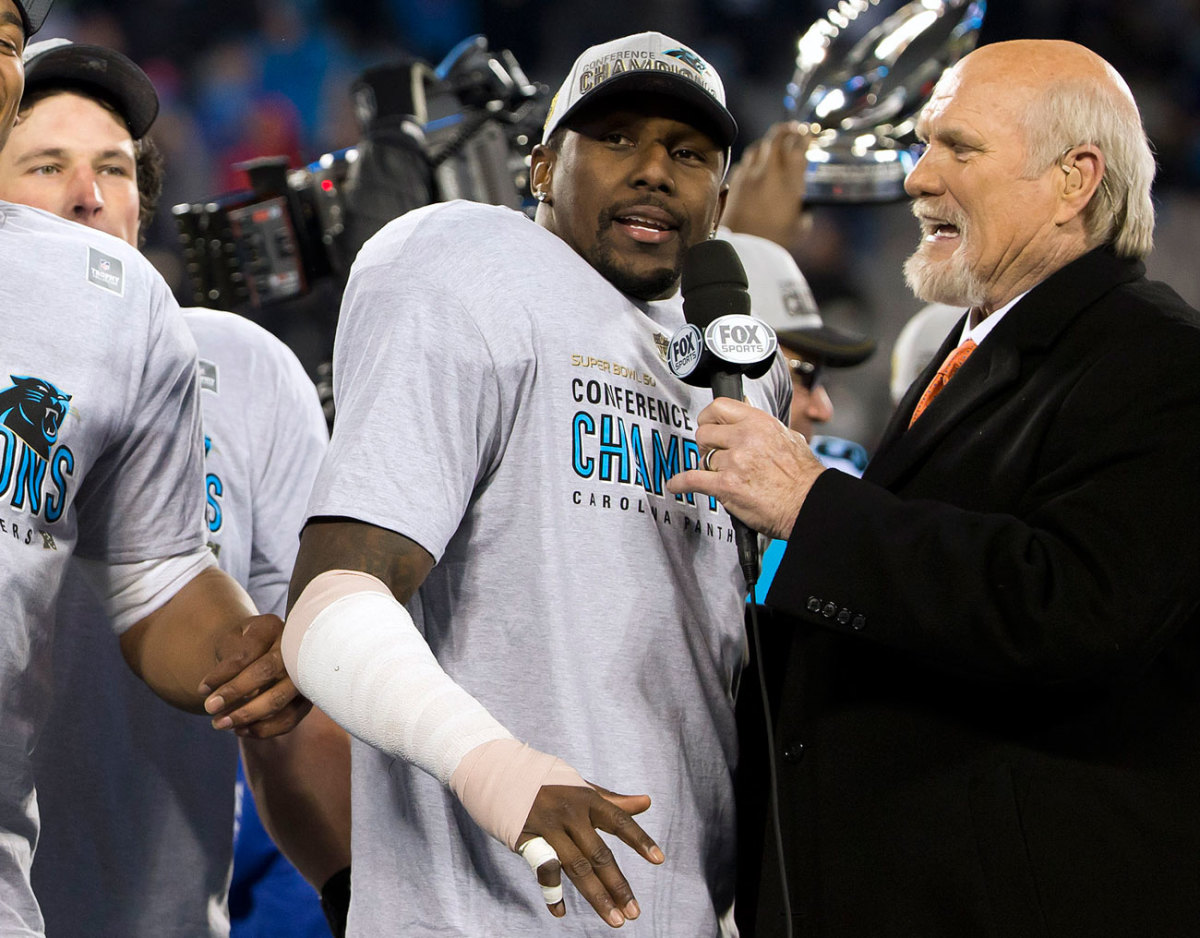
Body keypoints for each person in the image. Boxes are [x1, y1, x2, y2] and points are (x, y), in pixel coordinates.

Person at [667, 39, 1200, 937]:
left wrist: (811, 505)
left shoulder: (1161, 361)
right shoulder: (977, 349)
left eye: (959, 148)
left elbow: (1071, 610)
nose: (917, 178)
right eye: (922, 145)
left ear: (1074, 180)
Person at [281, 30, 789, 937]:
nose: (654, 170)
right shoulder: (469, 261)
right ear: (543, 167)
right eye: (617, 138)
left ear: (719, 197)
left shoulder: (742, 367)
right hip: (479, 912)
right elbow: (333, 604)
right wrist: (500, 770)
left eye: (688, 153)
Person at [0, 37, 348, 938]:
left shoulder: (241, 366)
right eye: (47, 165)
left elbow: (276, 695)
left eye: (115, 169)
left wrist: (353, 895)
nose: (89, 194)